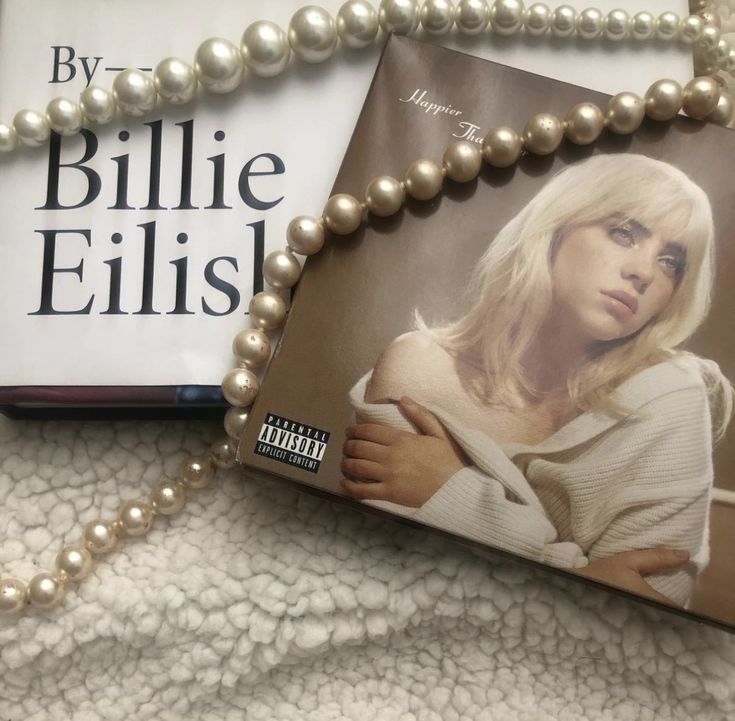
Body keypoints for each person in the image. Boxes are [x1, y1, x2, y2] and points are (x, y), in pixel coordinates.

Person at [340, 153, 733, 608]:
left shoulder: (669, 397)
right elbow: (390, 583)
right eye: (624, 232)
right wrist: (585, 576)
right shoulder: (419, 368)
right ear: (557, 226)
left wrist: (462, 502)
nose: (644, 273)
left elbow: (644, 612)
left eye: (671, 262)